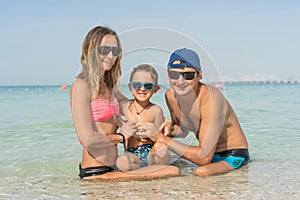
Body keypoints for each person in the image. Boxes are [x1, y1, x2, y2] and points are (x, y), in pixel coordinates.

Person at [70, 26, 179, 180]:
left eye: (115, 51)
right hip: (95, 171)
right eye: (104, 50)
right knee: (172, 171)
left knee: (170, 172)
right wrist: (121, 136)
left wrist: (164, 121)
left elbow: (135, 107)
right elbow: (87, 140)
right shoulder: (81, 86)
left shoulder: (109, 88)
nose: (110, 56)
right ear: (91, 50)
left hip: (113, 167)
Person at [139, 48, 250, 176]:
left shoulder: (212, 99)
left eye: (188, 75)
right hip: (208, 155)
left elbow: (203, 158)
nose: (180, 82)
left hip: (232, 156)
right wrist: (168, 129)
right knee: (160, 153)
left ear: (199, 75)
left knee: (201, 172)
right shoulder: (171, 95)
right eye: (174, 74)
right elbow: (183, 130)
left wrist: (162, 138)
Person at [116, 64, 170, 171]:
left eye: (148, 86)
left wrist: (165, 125)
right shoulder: (124, 107)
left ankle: (157, 177)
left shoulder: (155, 110)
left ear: (156, 89)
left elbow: (160, 138)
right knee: (122, 161)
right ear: (130, 87)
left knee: (161, 148)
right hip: (132, 154)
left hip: (151, 152)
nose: (142, 89)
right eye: (137, 85)